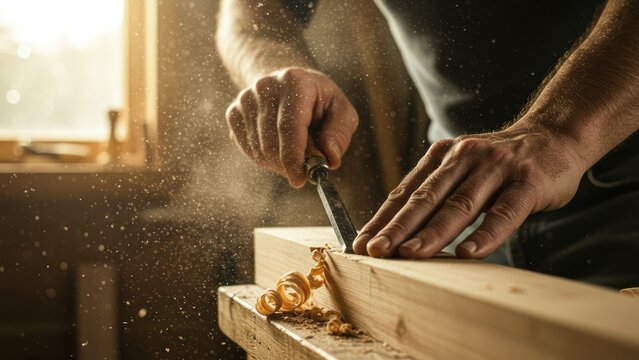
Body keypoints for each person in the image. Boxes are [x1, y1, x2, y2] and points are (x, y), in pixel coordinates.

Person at [216, 0, 639, 288]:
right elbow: (255, 10)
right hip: (459, 196)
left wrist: (561, 132)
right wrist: (271, 67)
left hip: (620, 186)